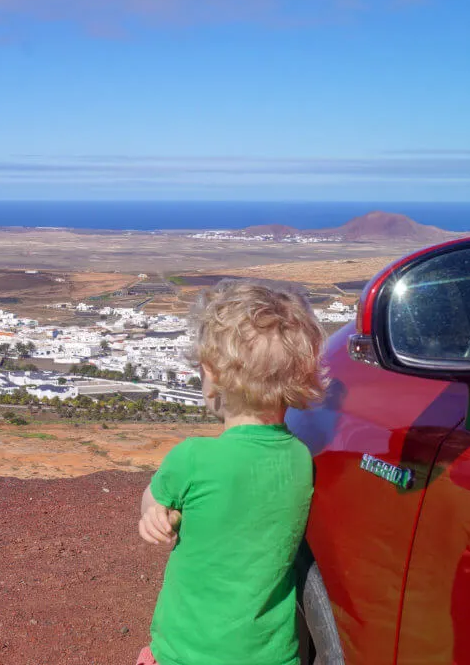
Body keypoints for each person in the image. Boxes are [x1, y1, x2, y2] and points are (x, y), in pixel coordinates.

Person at [137, 281, 326, 665]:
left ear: (212, 374)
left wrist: (153, 513)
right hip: (271, 656)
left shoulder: (192, 458)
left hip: (183, 654)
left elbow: (153, 499)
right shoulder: (301, 460)